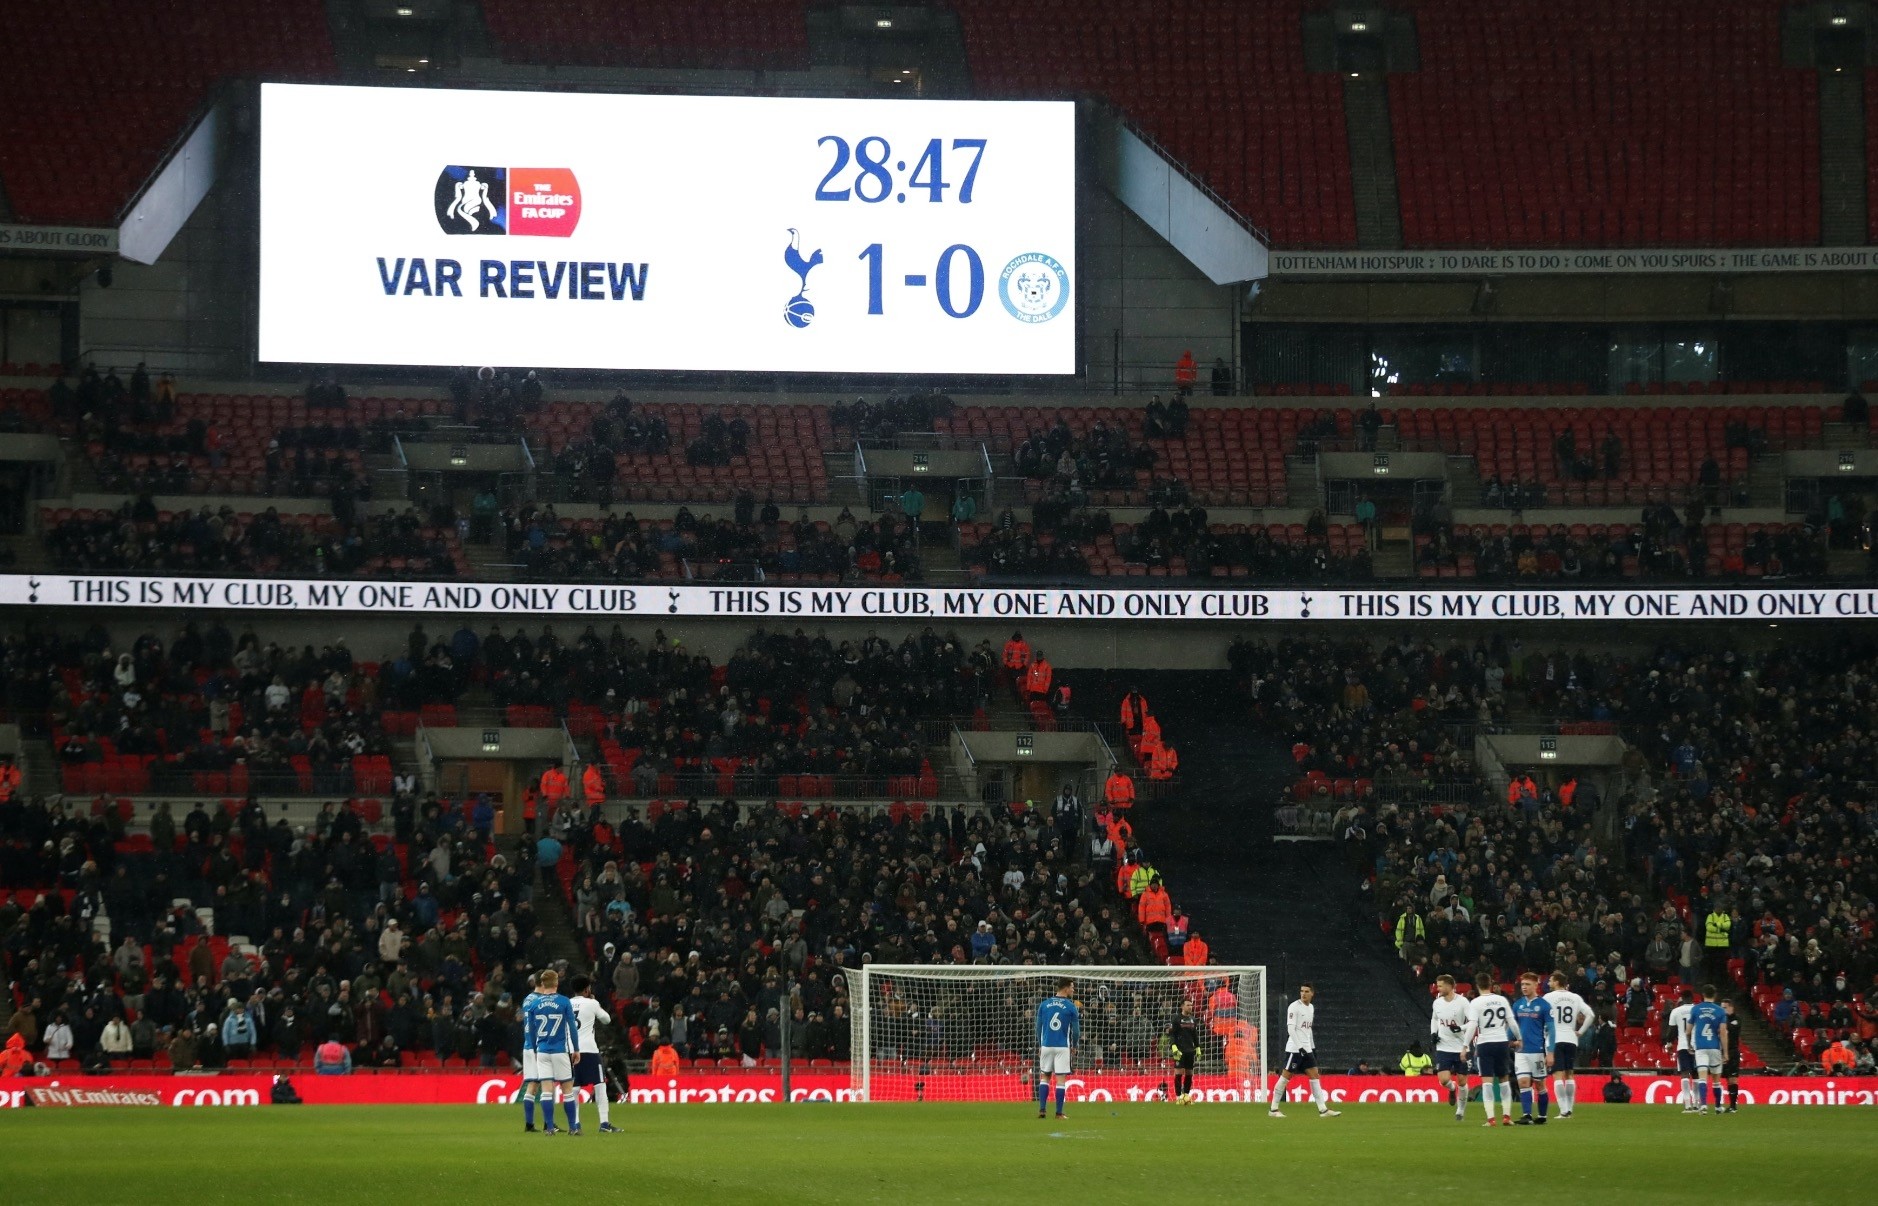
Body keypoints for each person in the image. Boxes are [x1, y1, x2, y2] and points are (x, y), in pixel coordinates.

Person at [523, 968, 581, 1135]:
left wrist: (534, 1048)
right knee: (567, 1089)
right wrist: (576, 1049)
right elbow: (572, 1027)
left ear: (542, 983)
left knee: (547, 1089)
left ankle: (549, 1127)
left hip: (542, 1051)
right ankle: (572, 1127)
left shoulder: (534, 1004)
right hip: (559, 1050)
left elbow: (531, 1030)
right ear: (556, 983)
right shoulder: (563, 1002)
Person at [1268, 984, 1340, 1118]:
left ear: (1312, 993)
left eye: (1306, 991)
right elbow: (1291, 1029)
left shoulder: (1311, 1008)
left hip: (1307, 1049)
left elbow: (1308, 1030)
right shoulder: (1294, 1007)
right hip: (1295, 1049)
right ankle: (1273, 1109)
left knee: (1315, 1076)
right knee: (1285, 1077)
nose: (1303, 994)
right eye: (1301, 991)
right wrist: (1300, 1047)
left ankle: (1323, 1110)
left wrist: (1312, 1048)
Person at [567, 974, 620, 1134]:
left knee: (573, 1088)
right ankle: (604, 1123)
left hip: (570, 1050)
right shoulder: (592, 1003)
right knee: (599, 1085)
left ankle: (575, 1124)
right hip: (589, 1050)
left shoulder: (566, 1004)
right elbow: (607, 1019)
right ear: (587, 989)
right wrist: (594, 1004)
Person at [1463, 972, 1515, 1127]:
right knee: (1504, 1080)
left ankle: (1491, 1119)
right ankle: (1507, 1117)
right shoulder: (1501, 1000)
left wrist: (1465, 1046)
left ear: (1477, 985)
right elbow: (1511, 1021)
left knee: (1487, 1082)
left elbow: (1472, 1025)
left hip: (1485, 1043)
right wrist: (1519, 1038)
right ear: (1491, 984)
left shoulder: (1475, 1003)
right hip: (1501, 1042)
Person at [1542, 970, 1594, 1118]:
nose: (1549, 983)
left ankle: (1564, 1110)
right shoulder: (1575, 997)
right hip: (1571, 1039)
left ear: (1557, 982)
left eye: (1551, 980)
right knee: (1570, 1073)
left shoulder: (1548, 997)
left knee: (1557, 1075)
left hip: (1555, 1039)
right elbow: (1590, 1014)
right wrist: (1581, 1031)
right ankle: (1569, 1109)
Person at [1510, 972, 1555, 1125]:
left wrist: (1550, 1052)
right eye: (1522, 984)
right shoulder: (1517, 1004)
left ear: (1536, 985)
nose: (1524, 987)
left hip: (1537, 1051)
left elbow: (1551, 1030)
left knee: (1539, 1084)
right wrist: (1507, 1039)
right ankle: (1527, 1115)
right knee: (1523, 1082)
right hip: (1521, 1051)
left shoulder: (1544, 1005)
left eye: (1528, 984)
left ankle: (1542, 1116)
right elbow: (1513, 1027)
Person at [1035, 978, 1080, 1119]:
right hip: (1062, 1047)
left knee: (1045, 1077)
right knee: (1060, 1079)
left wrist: (1040, 1045)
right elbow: (1076, 1030)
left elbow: (1038, 1027)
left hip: (1046, 1045)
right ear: (1065, 988)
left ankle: (1042, 1110)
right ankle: (1059, 1113)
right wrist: (1074, 1045)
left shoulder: (1044, 1004)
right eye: (1072, 987)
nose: (1073, 990)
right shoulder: (1071, 1006)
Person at [1429, 974, 1470, 1121]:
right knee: (1444, 1080)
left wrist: (1460, 1028)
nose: (1437, 988)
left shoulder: (1463, 1002)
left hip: (1461, 1047)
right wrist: (1434, 1033)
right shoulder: (1437, 1003)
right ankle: (1452, 1089)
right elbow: (1434, 1019)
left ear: (1449, 986)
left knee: (1462, 1082)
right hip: (1443, 1046)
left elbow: (1472, 1022)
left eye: (1440, 986)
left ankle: (1460, 1111)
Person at [1688, 985, 1728, 1115]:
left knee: (1702, 1078)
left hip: (1700, 1048)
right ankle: (1717, 1107)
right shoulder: (1721, 1011)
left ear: (1702, 994)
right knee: (1716, 1080)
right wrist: (1725, 1052)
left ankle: (1703, 1105)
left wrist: (1689, 1044)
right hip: (1714, 1047)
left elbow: (1688, 1030)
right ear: (1715, 995)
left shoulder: (1695, 1009)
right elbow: (1722, 1032)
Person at [1665, 988, 1697, 1112]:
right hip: (1697, 1046)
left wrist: (1669, 1043)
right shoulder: (1697, 1010)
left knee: (1684, 1073)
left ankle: (1687, 1105)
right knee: (1697, 1075)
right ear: (1692, 999)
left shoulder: (1676, 1011)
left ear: (1682, 999)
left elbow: (1672, 1031)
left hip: (1683, 1046)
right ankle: (1697, 1104)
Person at [1166, 1001, 1200, 1104]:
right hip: (1179, 1050)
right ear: (1182, 1006)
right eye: (1188, 1005)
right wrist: (1173, 1046)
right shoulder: (1176, 1018)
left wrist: (1198, 1047)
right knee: (1179, 1073)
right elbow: (1172, 1034)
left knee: (1189, 1073)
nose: (1190, 1007)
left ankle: (1186, 1095)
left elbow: (1194, 1035)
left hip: (1190, 1050)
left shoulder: (1193, 1020)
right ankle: (1178, 1097)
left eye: (1191, 1005)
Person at [1719, 999, 1743, 1113]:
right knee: (1719, 1078)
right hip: (1720, 1052)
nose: (1722, 1010)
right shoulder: (1721, 1020)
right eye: (1721, 1007)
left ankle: (1733, 1106)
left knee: (1732, 1079)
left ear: (1731, 1007)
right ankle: (1718, 1105)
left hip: (1732, 1052)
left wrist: (1723, 1021)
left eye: (1724, 1007)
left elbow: (1734, 1030)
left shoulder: (1736, 1019)